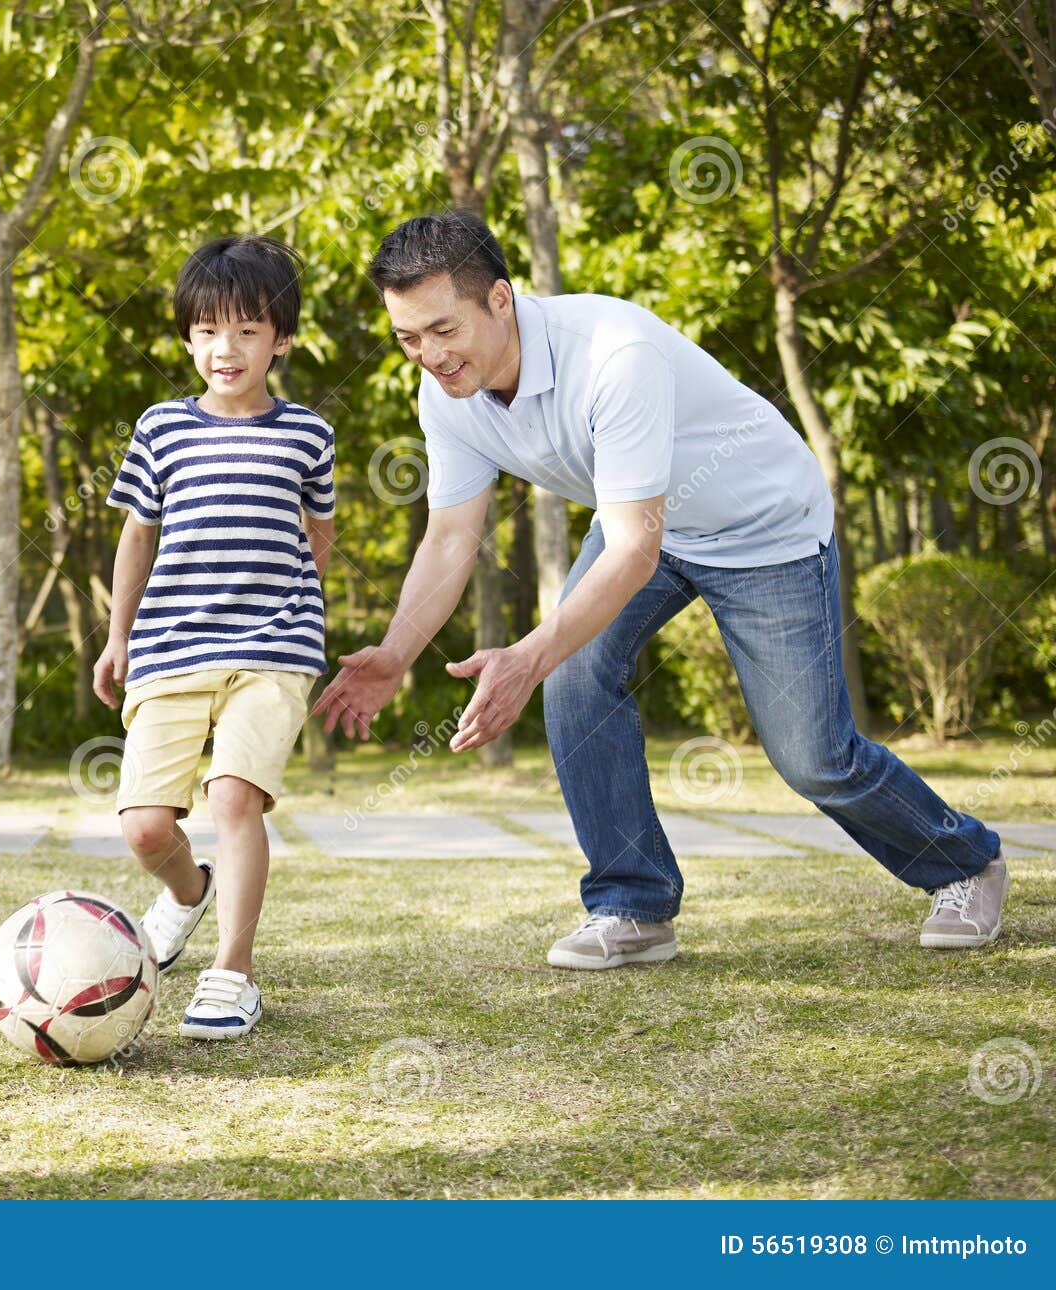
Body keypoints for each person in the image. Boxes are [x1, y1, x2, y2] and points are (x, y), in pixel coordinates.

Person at [314, 210, 1006, 968]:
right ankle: (631, 903)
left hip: (761, 529)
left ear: (501, 300)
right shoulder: (448, 395)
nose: (429, 356)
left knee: (813, 757)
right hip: (642, 522)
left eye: (443, 329)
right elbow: (450, 537)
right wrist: (396, 650)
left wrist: (529, 653)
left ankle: (967, 862)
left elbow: (633, 552)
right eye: (408, 338)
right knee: (575, 679)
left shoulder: (613, 353)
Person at [93, 235, 336, 1038]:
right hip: (169, 649)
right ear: (187, 337)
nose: (221, 349)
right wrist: (118, 636)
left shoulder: (308, 434)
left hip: (273, 649)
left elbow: (318, 536)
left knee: (234, 796)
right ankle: (188, 893)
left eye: (244, 332)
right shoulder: (161, 428)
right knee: (145, 827)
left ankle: (234, 974)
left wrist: (302, 609)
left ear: (282, 339)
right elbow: (138, 537)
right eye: (204, 331)